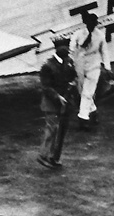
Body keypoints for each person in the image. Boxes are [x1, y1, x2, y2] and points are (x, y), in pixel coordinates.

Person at [38, 36, 77, 168]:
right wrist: (58, 97)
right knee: (52, 129)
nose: (67, 50)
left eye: (68, 47)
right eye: (64, 47)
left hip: (66, 102)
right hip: (51, 103)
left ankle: (54, 157)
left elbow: (73, 76)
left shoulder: (69, 62)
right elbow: (46, 87)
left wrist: (73, 84)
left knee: (62, 131)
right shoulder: (47, 66)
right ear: (57, 49)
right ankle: (43, 156)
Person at [71, 12, 109, 130]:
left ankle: (83, 118)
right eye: (90, 23)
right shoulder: (77, 34)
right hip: (80, 66)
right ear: (86, 23)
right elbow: (72, 50)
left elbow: (105, 52)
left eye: (94, 23)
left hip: (94, 66)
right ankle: (93, 111)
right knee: (82, 91)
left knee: (88, 92)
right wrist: (70, 64)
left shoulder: (100, 35)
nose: (92, 25)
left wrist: (107, 67)